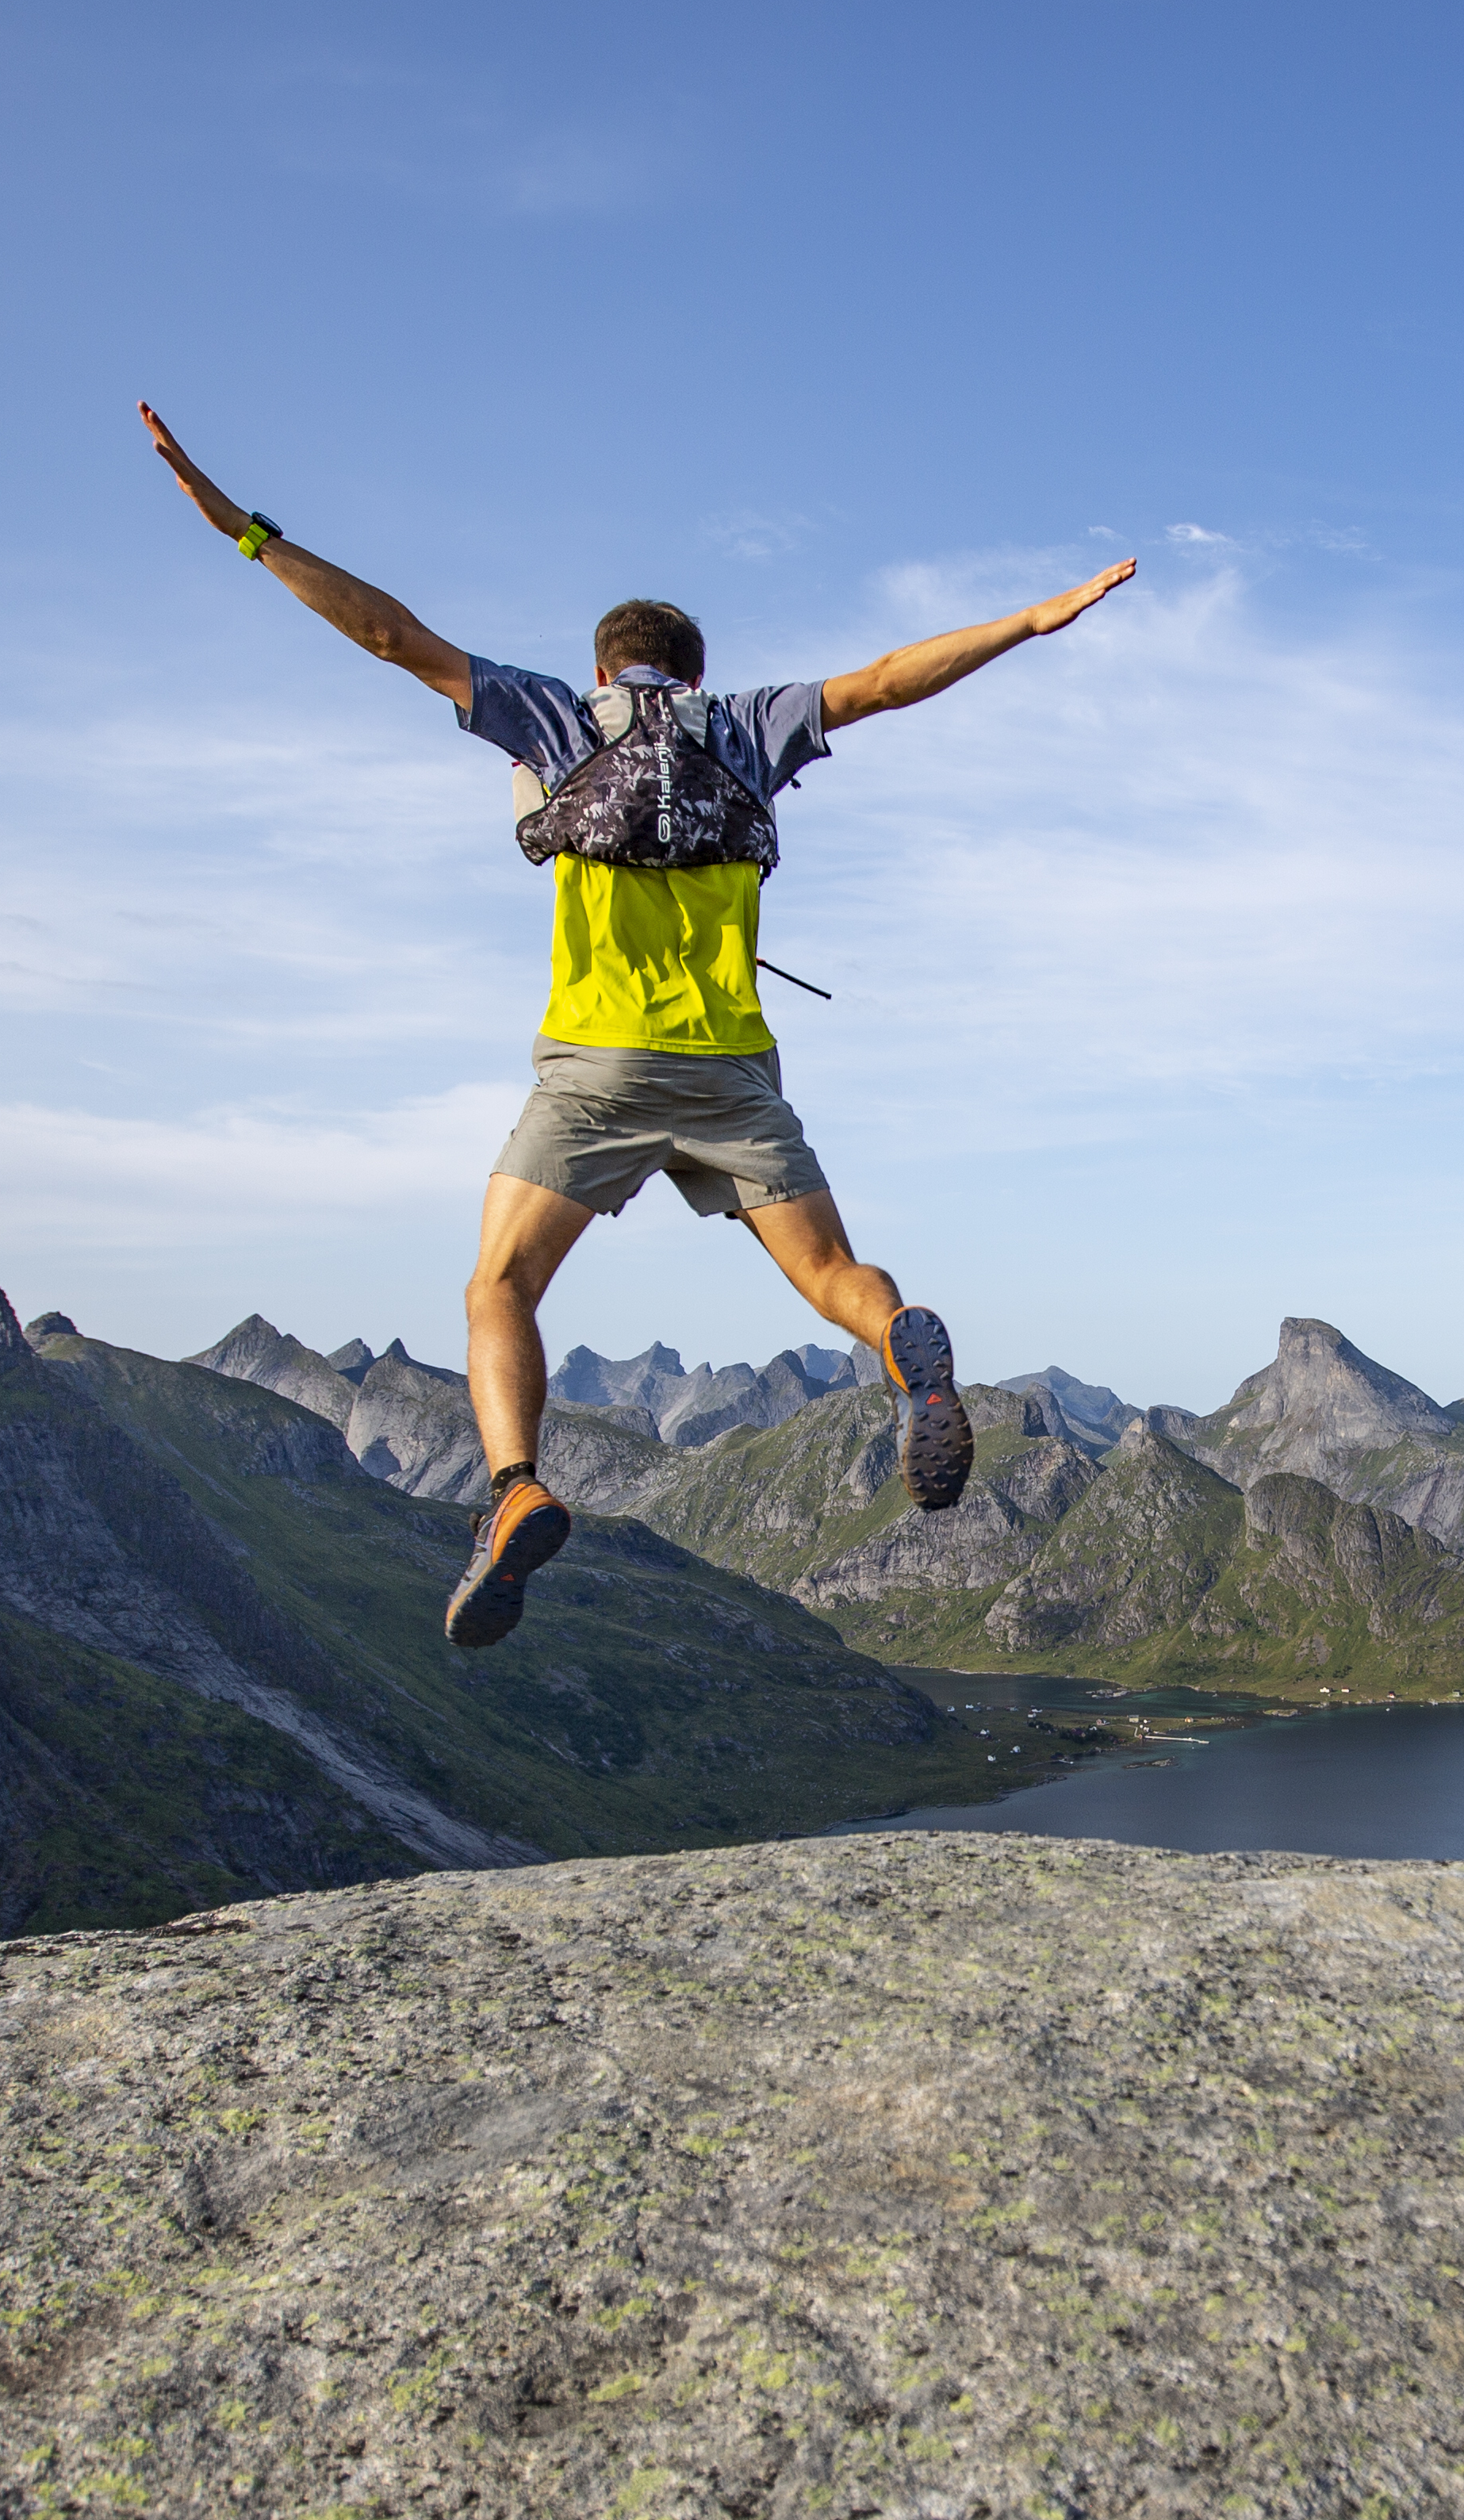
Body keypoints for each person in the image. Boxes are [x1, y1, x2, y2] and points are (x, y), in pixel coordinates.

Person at [139, 402, 1134, 1649]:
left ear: (606, 668)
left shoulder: (556, 722)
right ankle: (903, 1345)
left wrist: (243, 531)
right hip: (731, 1072)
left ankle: (513, 1494)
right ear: (696, 673)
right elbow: (887, 682)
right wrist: (1029, 623)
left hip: (595, 1069)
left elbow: (390, 634)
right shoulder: (751, 729)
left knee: (501, 1282)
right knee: (832, 1277)